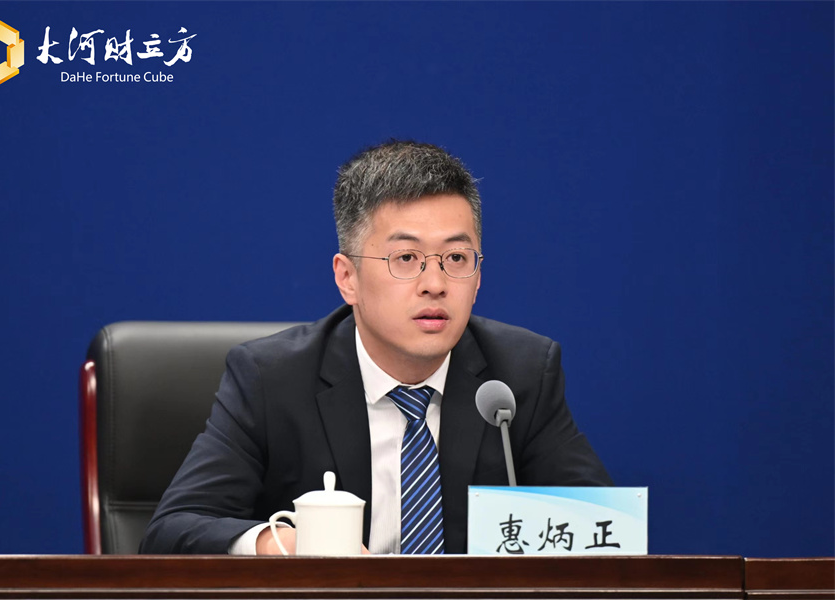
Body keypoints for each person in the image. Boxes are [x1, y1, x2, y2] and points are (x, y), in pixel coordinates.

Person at [140, 140, 612, 555]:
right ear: (347, 277)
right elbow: (171, 531)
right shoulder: (271, 380)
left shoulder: (518, 376)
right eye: (406, 258)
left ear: (478, 275)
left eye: (456, 257)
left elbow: (604, 535)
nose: (435, 283)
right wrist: (283, 544)